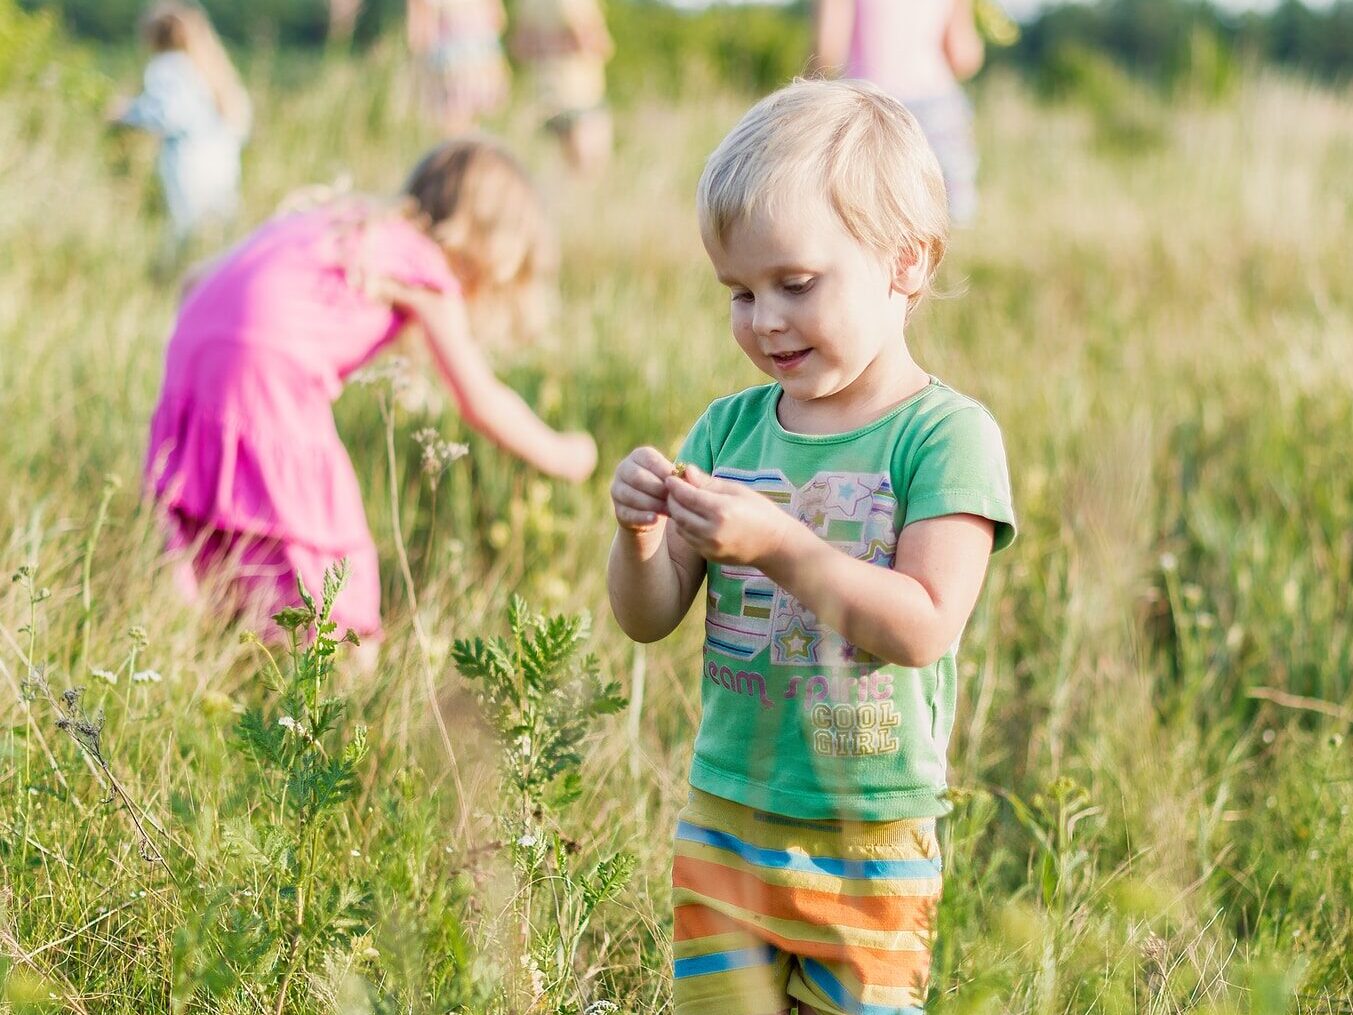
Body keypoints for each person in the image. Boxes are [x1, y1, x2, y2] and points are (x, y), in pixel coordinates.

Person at [607, 80, 1015, 1014]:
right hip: (726, 815)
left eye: (794, 284)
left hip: (865, 833)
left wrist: (780, 545)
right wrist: (638, 537)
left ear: (906, 264)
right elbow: (648, 617)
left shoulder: (944, 437)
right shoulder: (727, 430)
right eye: (739, 292)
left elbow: (921, 627)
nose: (765, 319)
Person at [146, 140, 597, 645]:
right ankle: (348, 689)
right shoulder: (425, 268)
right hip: (269, 372)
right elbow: (480, 400)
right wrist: (566, 455)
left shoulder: (346, 220)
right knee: (339, 565)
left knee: (223, 526)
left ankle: (187, 643)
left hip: (192, 352)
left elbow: (194, 280)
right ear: (494, 247)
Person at [814, 0, 985, 225]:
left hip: (869, 106)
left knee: (868, 214)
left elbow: (828, 52)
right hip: (936, 104)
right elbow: (962, 56)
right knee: (949, 208)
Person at [111, 1, 251, 253]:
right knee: (222, 234)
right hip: (222, 162)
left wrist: (127, 113)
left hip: (187, 163)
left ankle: (175, 280)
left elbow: (168, 114)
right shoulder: (211, 65)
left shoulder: (166, 66)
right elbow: (239, 121)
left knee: (187, 231)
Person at [511, 0, 614, 174]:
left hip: (544, 97)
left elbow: (519, 47)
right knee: (589, 172)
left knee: (561, 173)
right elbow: (594, 44)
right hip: (582, 96)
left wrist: (545, 45)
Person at [407, 0, 511, 136]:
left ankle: (461, 151)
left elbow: (419, 36)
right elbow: (499, 20)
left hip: (449, 64)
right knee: (469, 124)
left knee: (454, 124)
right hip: (479, 59)